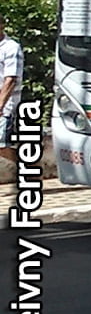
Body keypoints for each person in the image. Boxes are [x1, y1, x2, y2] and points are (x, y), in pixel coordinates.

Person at [0, 16, 20, 197]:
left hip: (5, 104)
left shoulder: (11, 48)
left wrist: (0, 104)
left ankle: (26, 166)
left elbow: (10, 79)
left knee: (1, 144)